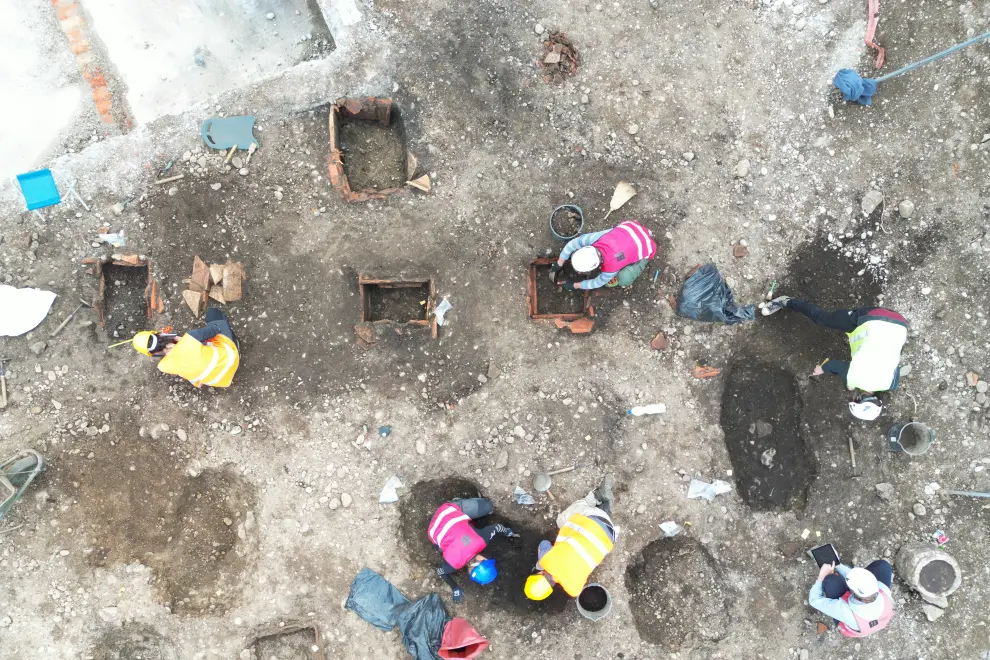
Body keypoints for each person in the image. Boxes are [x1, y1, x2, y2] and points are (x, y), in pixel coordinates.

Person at [762, 296, 907, 418]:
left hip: (900, 322)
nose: (851, 396)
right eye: (854, 399)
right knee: (822, 319)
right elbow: (832, 365)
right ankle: (786, 301)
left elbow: (895, 365)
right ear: (859, 398)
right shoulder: (852, 377)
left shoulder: (891, 384)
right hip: (872, 316)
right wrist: (821, 369)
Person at [524, 476, 616, 601]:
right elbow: (544, 543)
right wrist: (542, 563)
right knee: (561, 521)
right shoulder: (546, 559)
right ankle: (597, 497)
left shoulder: (574, 590)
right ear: (539, 574)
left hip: (609, 537)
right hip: (592, 520)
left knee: (593, 531)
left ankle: (605, 512)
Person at [428, 497, 516, 603]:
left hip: (448, 511)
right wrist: (454, 588)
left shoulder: (481, 541)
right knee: (440, 548)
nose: (485, 557)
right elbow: (441, 572)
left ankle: (458, 503)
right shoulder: (452, 564)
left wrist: (507, 532)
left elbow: (497, 527)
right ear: (469, 572)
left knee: (487, 506)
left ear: (481, 559)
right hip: (432, 531)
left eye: (485, 560)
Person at [131, 308, 240, 388]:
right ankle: (237, 344)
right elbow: (215, 330)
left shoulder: (163, 366)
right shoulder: (191, 337)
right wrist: (188, 338)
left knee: (191, 370)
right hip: (231, 358)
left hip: (221, 381)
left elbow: (180, 355)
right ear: (159, 334)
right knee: (212, 313)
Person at [550, 221, 657, 291]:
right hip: (632, 227)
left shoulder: (611, 267)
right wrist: (559, 262)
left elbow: (597, 283)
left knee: (623, 278)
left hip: (648, 247)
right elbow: (572, 244)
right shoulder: (595, 239)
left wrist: (574, 285)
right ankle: (647, 233)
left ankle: (644, 255)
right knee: (615, 238)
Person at [808, 560, 895, 637]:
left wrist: (821, 577)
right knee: (883, 566)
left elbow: (814, 600)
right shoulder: (883, 590)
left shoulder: (845, 611)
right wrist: (838, 564)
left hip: (853, 621)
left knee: (830, 580)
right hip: (876, 620)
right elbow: (856, 580)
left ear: (852, 591)